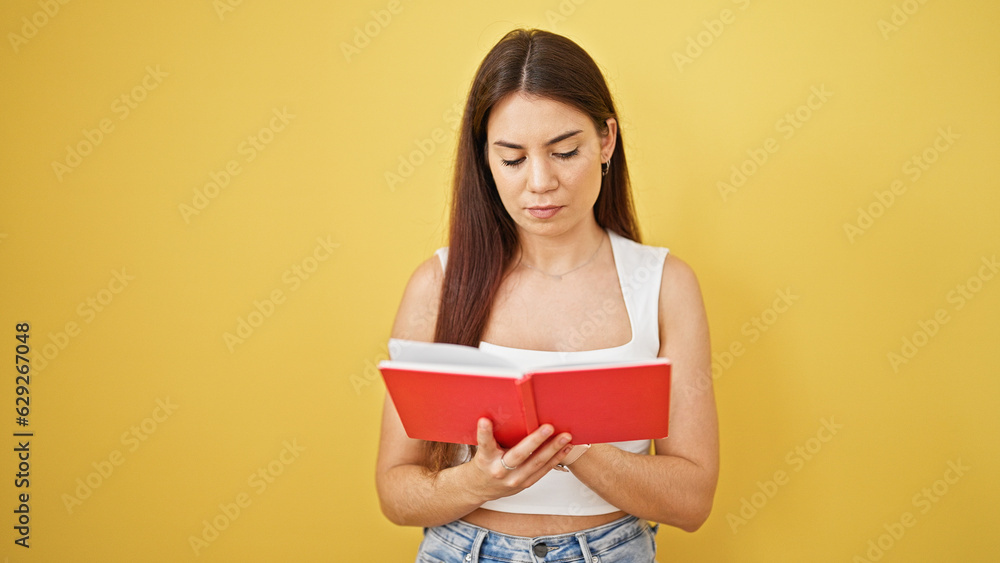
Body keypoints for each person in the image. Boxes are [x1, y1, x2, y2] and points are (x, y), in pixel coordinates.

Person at [375, 28, 719, 562]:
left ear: (606, 140)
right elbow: (395, 492)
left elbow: (692, 501)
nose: (540, 182)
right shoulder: (438, 285)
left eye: (564, 151)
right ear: (484, 159)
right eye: (512, 159)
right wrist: (479, 483)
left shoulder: (664, 285)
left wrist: (574, 448)